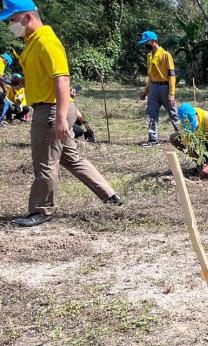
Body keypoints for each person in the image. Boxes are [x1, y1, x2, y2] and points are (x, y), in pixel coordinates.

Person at [1, 0, 123, 227]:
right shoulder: (33, 42)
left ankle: (41, 210)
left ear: (27, 17)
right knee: (72, 158)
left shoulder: (47, 42)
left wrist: (59, 118)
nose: (10, 25)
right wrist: (23, 81)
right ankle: (111, 196)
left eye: (12, 20)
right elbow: (45, 74)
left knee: (45, 162)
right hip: (50, 108)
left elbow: (62, 79)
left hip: (50, 110)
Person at [137, 30, 180, 147]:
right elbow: (150, 76)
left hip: (165, 88)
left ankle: (183, 137)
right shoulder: (149, 56)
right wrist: (145, 91)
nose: (145, 45)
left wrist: (171, 94)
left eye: (147, 42)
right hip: (153, 89)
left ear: (154, 41)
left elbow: (172, 76)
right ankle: (153, 140)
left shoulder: (166, 55)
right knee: (152, 114)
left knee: (173, 113)